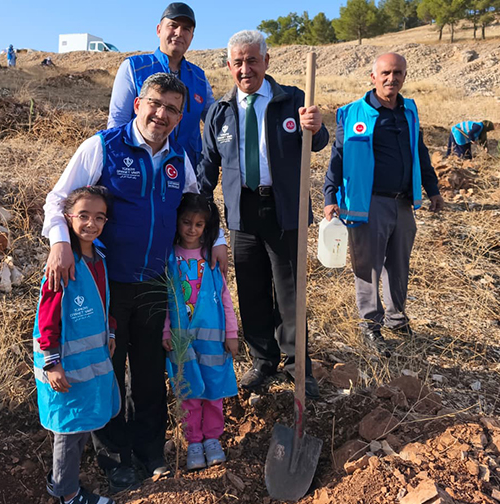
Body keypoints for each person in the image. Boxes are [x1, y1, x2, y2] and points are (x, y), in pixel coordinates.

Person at [42, 72, 228, 492]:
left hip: (154, 284)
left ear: (181, 118)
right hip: (103, 284)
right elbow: (58, 200)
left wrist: (216, 239)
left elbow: (197, 205)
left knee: (147, 373)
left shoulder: (179, 160)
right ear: (138, 103)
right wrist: (59, 243)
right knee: (106, 370)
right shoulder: (102, 146)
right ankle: (114, 459)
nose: (161, 115)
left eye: (172, 109)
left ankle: (150, 450)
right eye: (156, 104)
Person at [197, 30, 328, 398]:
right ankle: (263, 361)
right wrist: (197, 213)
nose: (245, 69)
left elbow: (318, 142)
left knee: (290, 292)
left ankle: (296, 365)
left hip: (285, 209)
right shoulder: (218, 112)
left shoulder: (292, 100)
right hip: (241, 212)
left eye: (252, 60)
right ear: (229, 66)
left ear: (266, 61)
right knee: (252, 291)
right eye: (238, 62)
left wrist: (315, 128)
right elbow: (208, 167)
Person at [323, 53, 444, 355]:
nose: (392, 79)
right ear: (373, 77)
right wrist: (329, 196)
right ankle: (370, 325)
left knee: (399, 265)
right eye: (386, 73)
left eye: (398, 73)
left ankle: (396, 317)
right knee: (368, 266)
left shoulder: (409, 110)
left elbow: (421, 151)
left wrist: (433, 189)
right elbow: (337, 157)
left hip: (402, 203)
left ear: (405, 75)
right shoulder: (352, 113)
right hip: (368, 203)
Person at [34, 185, 119, 504]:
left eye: (99, 217)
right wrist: (51, 362)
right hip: (63, 363)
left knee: (80, 424)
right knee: (68, 431)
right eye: (83, 215)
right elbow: (48, 314)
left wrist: (110, 332)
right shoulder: (63, 262)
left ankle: (61, 482)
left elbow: (103, 301)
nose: (91, 223)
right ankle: (68, 494)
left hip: (89, 363)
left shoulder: (99, 255)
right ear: (67, 217)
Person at [161, 194, 238, 471]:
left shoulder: (211, 260)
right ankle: (193, 441)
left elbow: (225, 298)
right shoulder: (169, 258)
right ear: (177, 222)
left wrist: (232, 333)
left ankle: (212, 439)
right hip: (182, 340)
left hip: (214, 341)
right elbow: (165, 301)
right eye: (186, 222)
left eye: (199, 224)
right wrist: (166, 330)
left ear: (208, 228)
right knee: (188, 389)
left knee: (213, 389)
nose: (192, 229)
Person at [107, 3, 213, 168]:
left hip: (186, 172)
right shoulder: (134, 67)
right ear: (158, 30)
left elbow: (215, 122)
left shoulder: (199, 78)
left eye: (186, 29)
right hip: (139, 169)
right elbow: (117, 120)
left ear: (192, 37)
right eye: (173, 25)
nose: (179, 33)